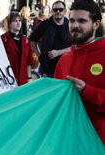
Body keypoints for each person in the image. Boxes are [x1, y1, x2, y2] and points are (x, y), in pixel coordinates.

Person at [54, 0, 105, 144]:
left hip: (99, 145)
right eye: (72, 20)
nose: (75, 25)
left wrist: (87, 91)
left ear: (96, 24)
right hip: (70, 143)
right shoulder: (64, 60)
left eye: (82, 21)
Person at [30, 1, 71, 77]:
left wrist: (58, 52)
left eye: (61, 9)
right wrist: (39, 55)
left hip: (66, 69)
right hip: (47, 69)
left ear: (65, 11)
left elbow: (75, 46)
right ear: (52, 11)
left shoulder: (70, 25)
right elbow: (32, 40)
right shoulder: (44, 24)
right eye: (55, 10)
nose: (58, 11)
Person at [1, 12, 34, 86]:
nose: (18, 23)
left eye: (19, 21)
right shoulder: (4, 39)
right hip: (8, 79)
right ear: (9, 24)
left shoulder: (26, 40)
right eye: (15, 21)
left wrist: (29, 78)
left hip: (23, 79)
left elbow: (29, 61)